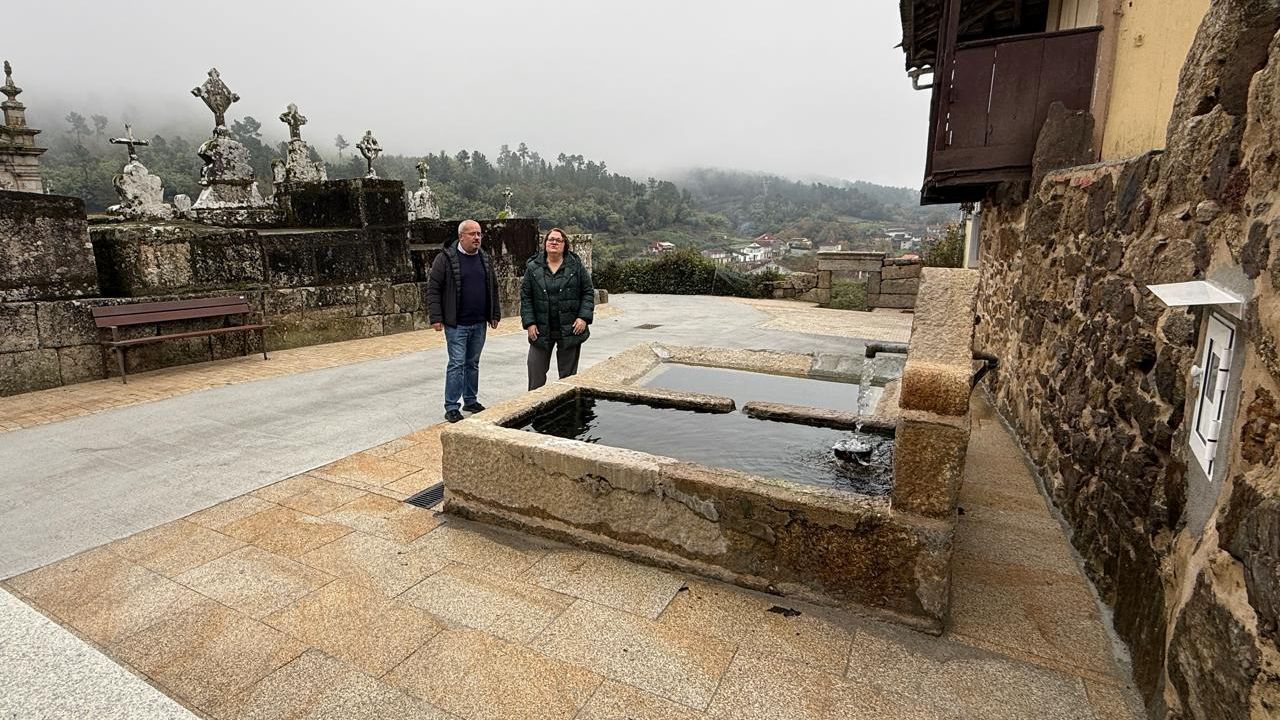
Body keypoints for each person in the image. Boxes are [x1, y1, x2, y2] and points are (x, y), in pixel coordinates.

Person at [427, 219, 501, 422]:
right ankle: (452, 406)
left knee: (472, 363)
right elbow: (434, 289)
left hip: (479, 322)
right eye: (472, 234)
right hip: (456, 323)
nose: (477, 237)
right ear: (461, 236)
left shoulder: (485, 258)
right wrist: (436, 317)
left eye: (479, 234)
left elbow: (493, 287)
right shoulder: (445, 259)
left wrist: (494, 313)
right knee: (457, 364)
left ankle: (470, 399)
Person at [521, 227, 595, 390]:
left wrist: (583, 318)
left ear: (564, 244)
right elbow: (526, 297)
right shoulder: (533, 268)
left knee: (568, 378)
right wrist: (530, 323)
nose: (554, 242)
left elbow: (588, 292)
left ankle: (567, 405)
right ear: (545, 243)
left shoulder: (576, 266)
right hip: (541, 329)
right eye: (551, 239)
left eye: (558, 240)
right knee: (535, 372)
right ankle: (535, 404)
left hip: (569, 328)